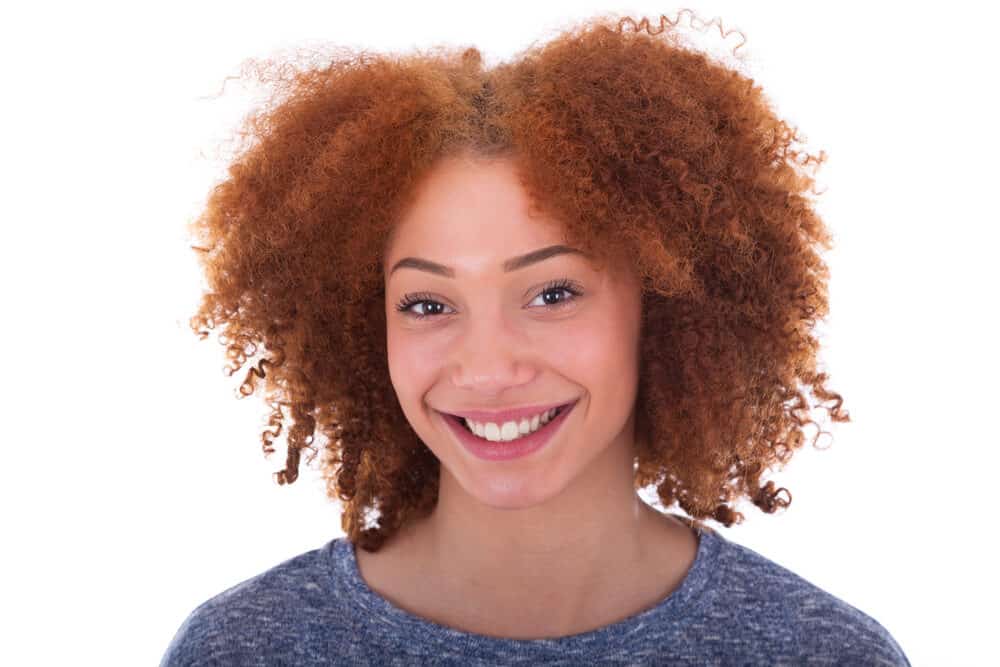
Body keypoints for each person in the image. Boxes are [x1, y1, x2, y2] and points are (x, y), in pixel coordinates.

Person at [161, 11, 910, 665]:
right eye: (427, 303)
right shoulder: (247, 647)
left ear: (670, 307)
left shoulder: (817, 651)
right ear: (364, 323)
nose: (488, 368)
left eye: (553, 293)